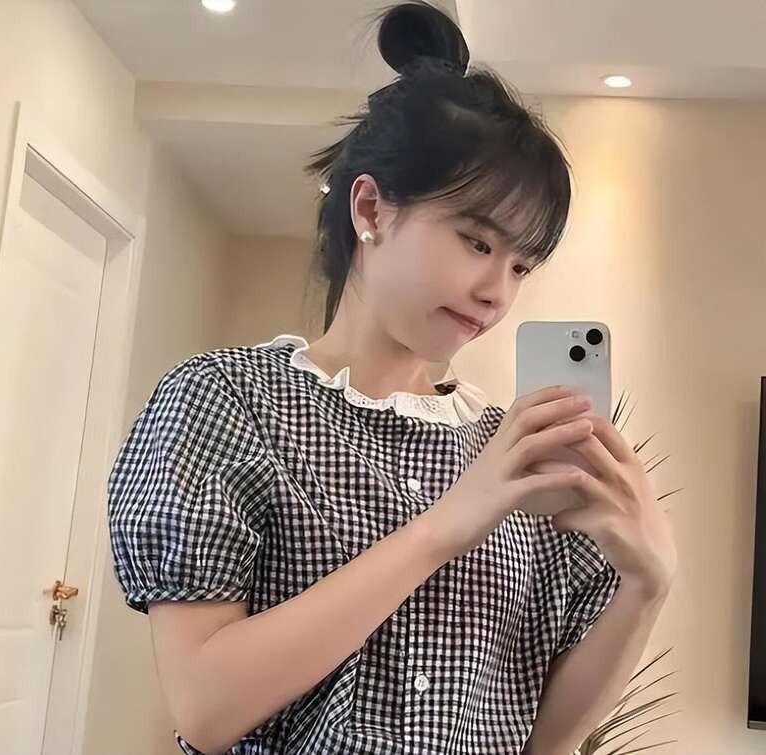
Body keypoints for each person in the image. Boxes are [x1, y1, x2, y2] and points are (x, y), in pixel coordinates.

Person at [106, 3, 626, 753]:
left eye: (521, 266)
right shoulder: (226, 400)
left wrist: (649, 581)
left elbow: (547, 741)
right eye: (477, 241)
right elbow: (205, 706)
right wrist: (444, 527)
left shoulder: (509, 447)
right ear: (371, 207)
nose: (496, 292)